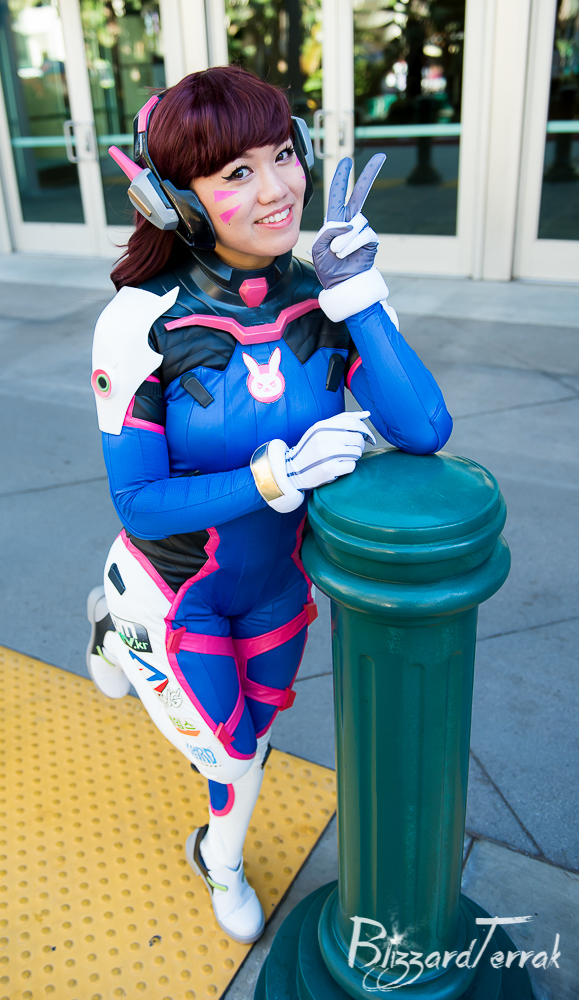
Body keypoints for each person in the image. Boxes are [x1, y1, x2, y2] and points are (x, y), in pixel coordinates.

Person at [85, 67, 452, 944]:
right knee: (235, 751)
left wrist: (358, 297)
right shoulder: (139, 321)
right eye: (237, 172)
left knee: (255, 735)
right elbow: (138, 504)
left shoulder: (320, 295)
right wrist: (273, 479)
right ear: (175, 200)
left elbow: (425, 428)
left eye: (283, 154)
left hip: (279, 588)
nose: (278, 187)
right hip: (176, 591)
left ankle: (106, 637)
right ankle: (219, 858)